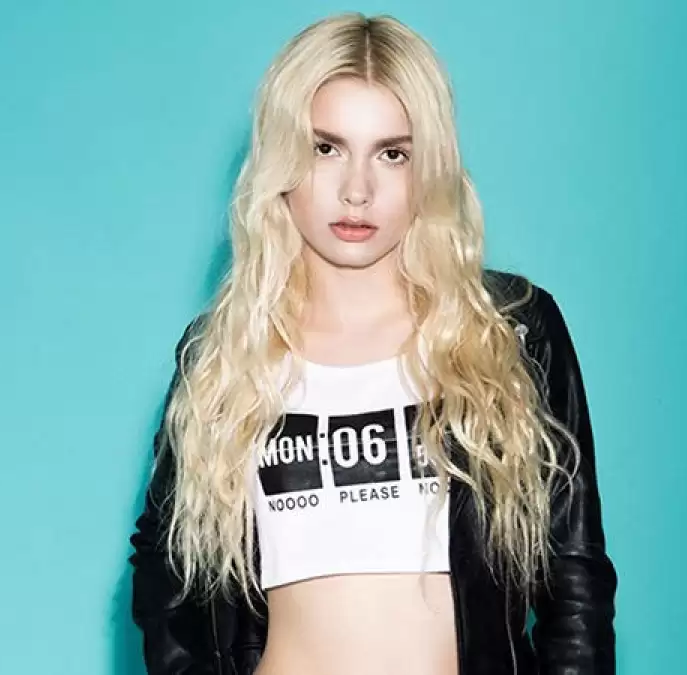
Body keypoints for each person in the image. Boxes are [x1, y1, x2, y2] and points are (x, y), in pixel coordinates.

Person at [128, 11, 618, 675]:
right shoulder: (226, 354)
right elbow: (164, 562)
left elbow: (575, 577)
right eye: (325, 148)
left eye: (393, 153)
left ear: (429, 168)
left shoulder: (511, 333)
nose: (356, 190)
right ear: (282, 159)